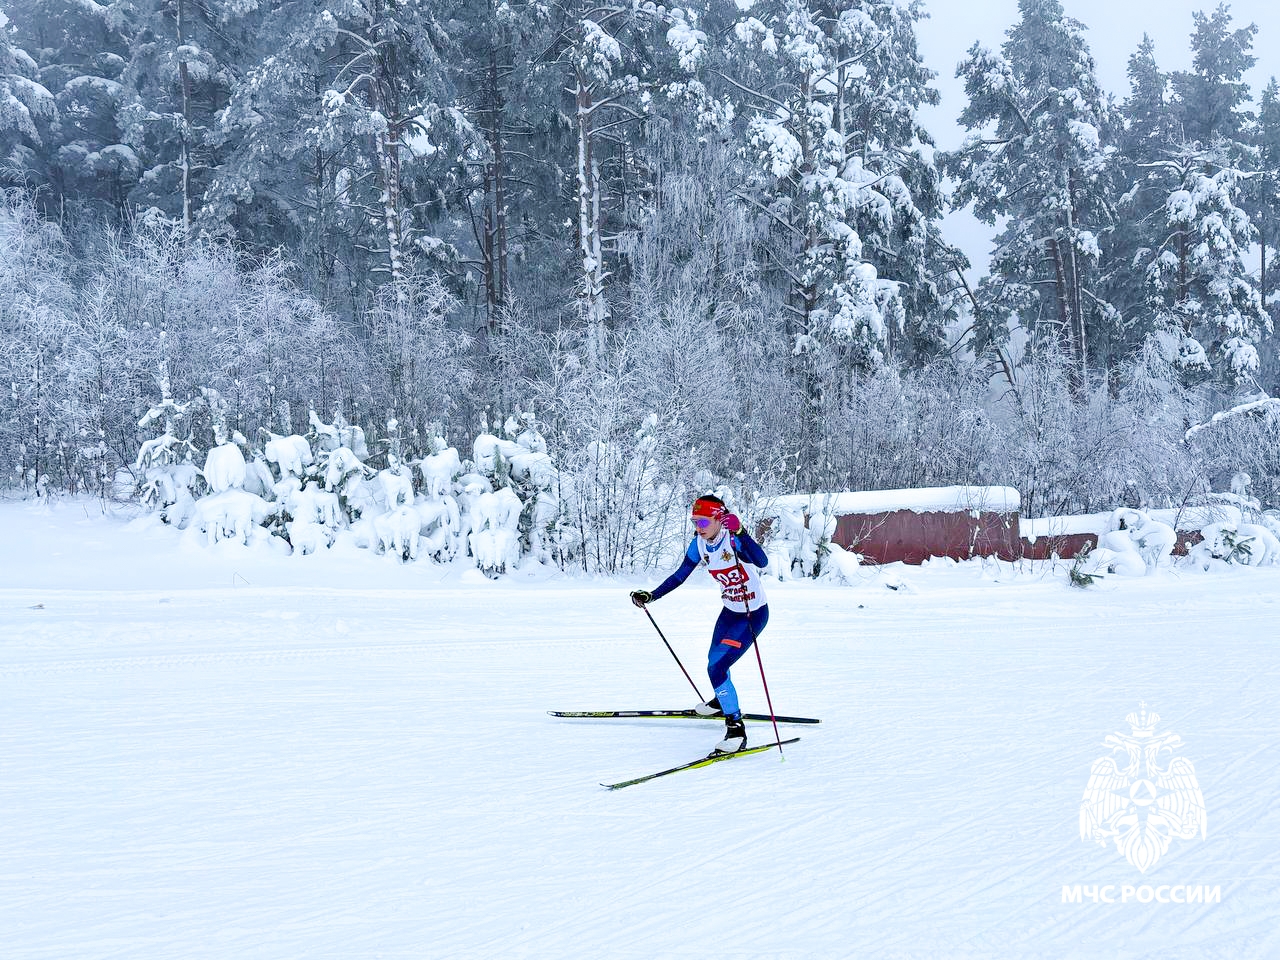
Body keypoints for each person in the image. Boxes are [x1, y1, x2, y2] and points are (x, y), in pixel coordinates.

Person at [630, 494, 770, 754]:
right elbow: (680, 575)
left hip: (753, 614)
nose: (698, 527)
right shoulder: (700, 544)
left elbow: (762, 562)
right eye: (695, 521)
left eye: (703, 522)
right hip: (730, 611)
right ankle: (721, 700)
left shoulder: (733, 539)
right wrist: (652, 595)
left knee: (718, 667)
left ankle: (736, 729)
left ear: (719, 518)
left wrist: (742, 531)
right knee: (713, 662)